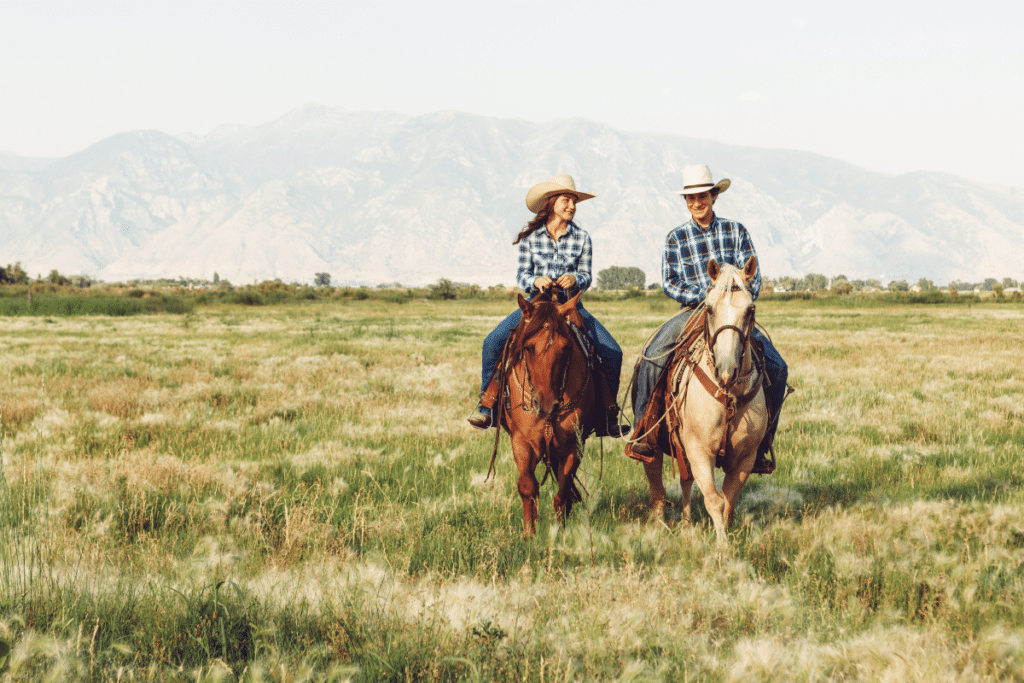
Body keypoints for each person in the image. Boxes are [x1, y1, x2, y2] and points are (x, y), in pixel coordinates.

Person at [625, 165, 789, 470]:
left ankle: (764, 440)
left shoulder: (736, 231)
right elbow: (670, 281)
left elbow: (755, 277)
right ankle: (643, 429)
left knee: (778, 368)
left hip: (731, 316)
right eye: (690, 198)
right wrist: (702, 297)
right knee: (652, 355)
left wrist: (733, 299)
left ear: (714, 196)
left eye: (702, 196)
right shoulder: (676, 237)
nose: (696, 203)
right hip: (692, 312)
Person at [468, 174, 629, 437]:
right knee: (492, 342)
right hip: (536, 305)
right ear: (552, 202)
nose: (572, 206)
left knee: (612, 352)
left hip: (569, 305)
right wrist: (535, 280)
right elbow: (521, 276)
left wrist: (576, 278)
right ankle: (488, 406)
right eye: (567, 200)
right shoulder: (531, 238)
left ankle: (606, 415)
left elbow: (587, 275)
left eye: (574, 201)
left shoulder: (583, 238)